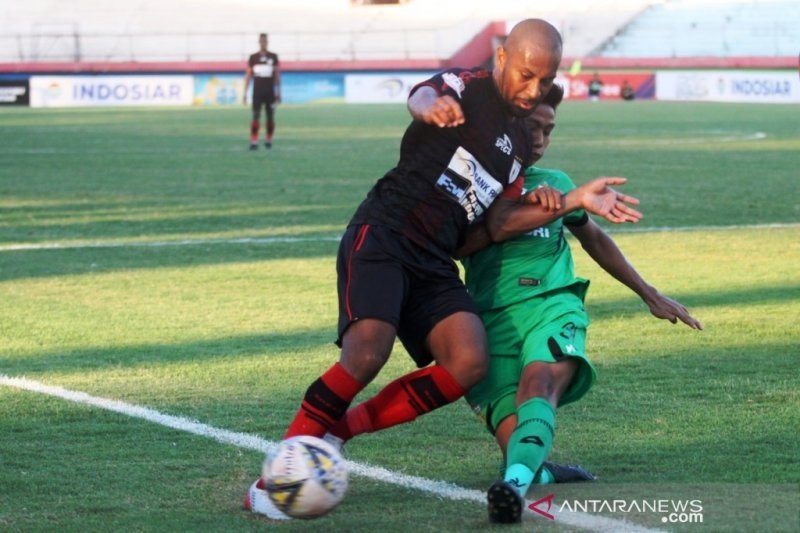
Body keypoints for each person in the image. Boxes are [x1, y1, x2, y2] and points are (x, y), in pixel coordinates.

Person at [245, 18, 642, 519]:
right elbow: (422, 93)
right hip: (386, 233)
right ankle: (272, 481)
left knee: (468, 361)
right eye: (525, 74)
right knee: (367, 354)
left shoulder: (518, 149)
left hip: (434, 258)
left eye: (544, 80)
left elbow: (494, 227)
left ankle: (336, 435)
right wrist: (428, 107)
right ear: (501, 58)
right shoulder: (469, 87)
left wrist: (567, 202)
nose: (532, 88)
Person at [455, 84, 703, 524]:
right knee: (519, 444)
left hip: (552, 304)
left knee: (540, 385)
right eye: (533, 128)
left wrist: (649, 293)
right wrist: (522, 212)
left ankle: (510, 492)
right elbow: (456, 246)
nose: (540, 141)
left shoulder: (557, 183)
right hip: (489, 321)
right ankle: (533, 475)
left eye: (549, 131)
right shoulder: (475, 185)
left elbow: (593, 238)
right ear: (507, 125)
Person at [243, 33, 280, 150]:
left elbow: (277, 76)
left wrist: (278, 93)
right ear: (259, 42)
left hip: (270, 92)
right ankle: (254, 141)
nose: (263, 43)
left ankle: (269, 139)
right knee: (255, 116)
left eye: (265, 41)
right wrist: (245, 92)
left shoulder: (273, 57)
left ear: (267, 42)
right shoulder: (253, 58)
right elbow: (248, 75)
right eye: (261, 41)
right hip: (257, 92)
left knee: (270, 117)